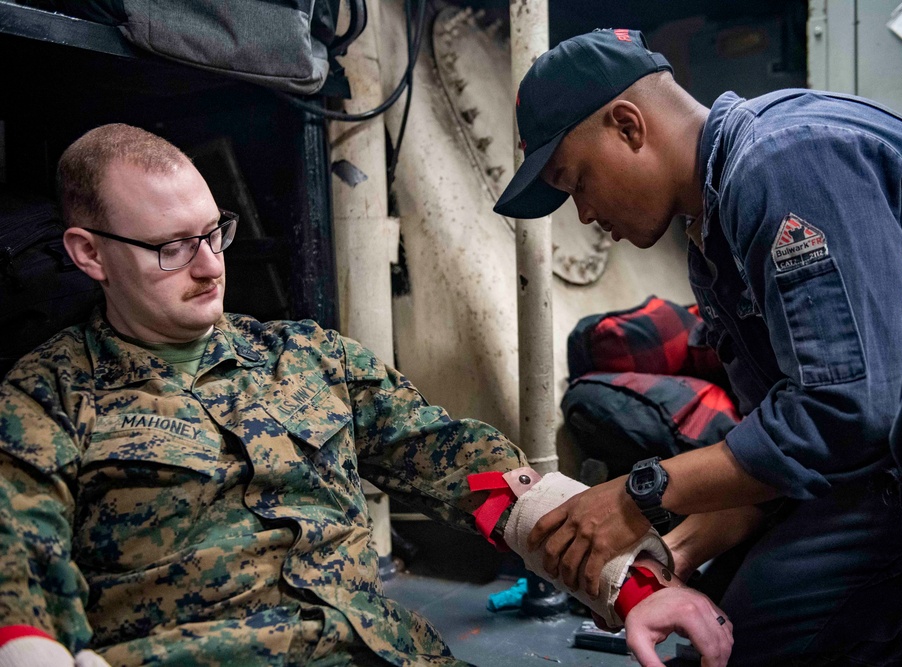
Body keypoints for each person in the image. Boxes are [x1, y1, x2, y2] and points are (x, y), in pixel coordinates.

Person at [494, 28, 902, 667]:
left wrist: (636, 495)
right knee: (743, 632)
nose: (585, 215)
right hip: (894, 450)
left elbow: (845, 412)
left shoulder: (782, 160)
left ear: (628, 126)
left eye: (577, 183)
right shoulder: (715, 234)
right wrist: (668, 558)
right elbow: (788, 452)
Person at [0, 123, 536, 666]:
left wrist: (602, 564)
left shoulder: (308, 356)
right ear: (90, 254)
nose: (210, 266)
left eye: (214, 234)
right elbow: (16, 547)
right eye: (173, 247)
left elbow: (452, 453)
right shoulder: (49, 396)